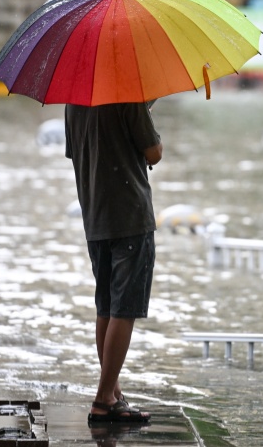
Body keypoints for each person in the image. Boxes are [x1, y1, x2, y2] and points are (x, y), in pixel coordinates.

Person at [64, 99, 163, 424]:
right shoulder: (128, 96)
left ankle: (112, 392)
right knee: (125, 308)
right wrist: (144, 112)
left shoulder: (74, 102)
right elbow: (153, 153)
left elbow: (82, 150)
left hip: (95, 217)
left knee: (106, 306)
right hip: (131, 217)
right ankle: (104, 397)